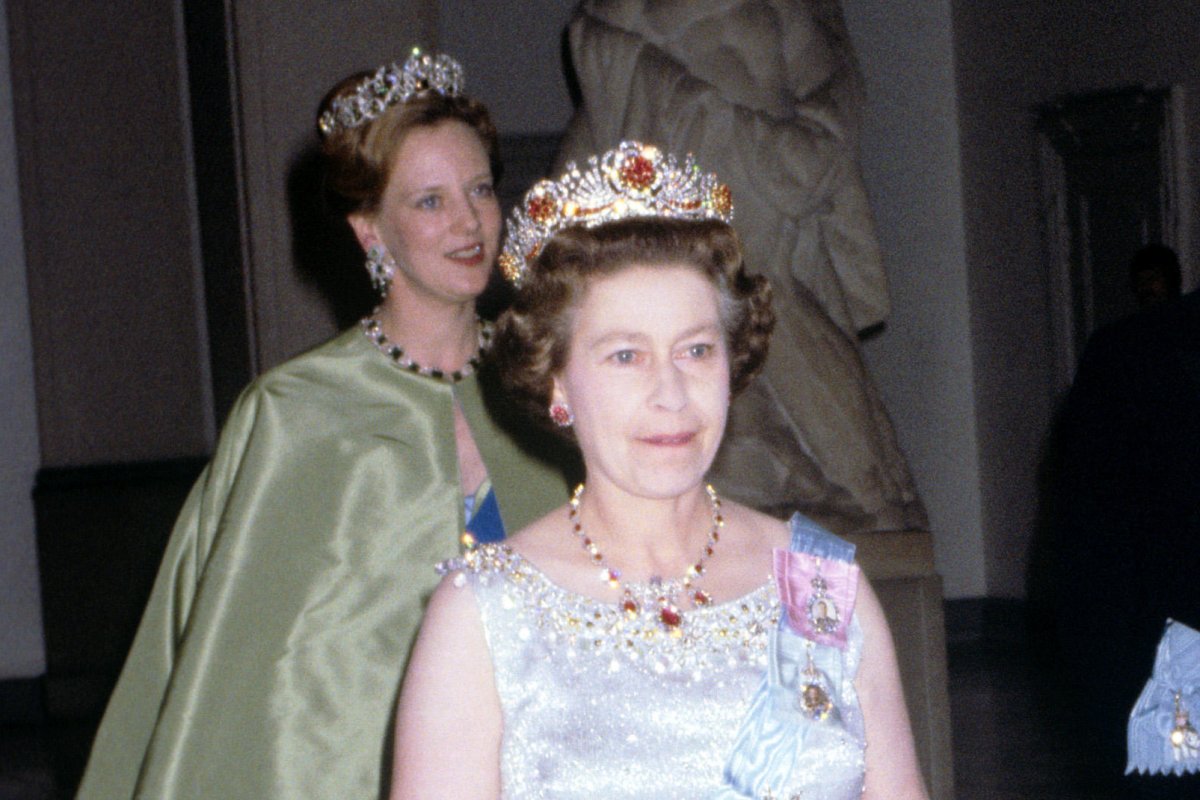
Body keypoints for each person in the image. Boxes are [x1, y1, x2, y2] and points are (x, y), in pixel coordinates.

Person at [75, 50, 568, 800]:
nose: (469, 222)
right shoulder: (296, 412)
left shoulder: (549, 383)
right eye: (429, 201)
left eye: (478, 189)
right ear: (370, 230)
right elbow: (242, 686)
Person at [390, 142, 928, 798]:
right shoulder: (483, 616)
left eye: (696, 350)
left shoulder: (820, 589)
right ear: (555, 379)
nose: (671, 393)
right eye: (625, 356)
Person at [555, 0, 927, 533]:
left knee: (775, 312)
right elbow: (606, 74)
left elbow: (830, 77)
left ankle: (865, 482)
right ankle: (854, 483)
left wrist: (811, 145)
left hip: (776, 165)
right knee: (732, 321)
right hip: (691, 157)